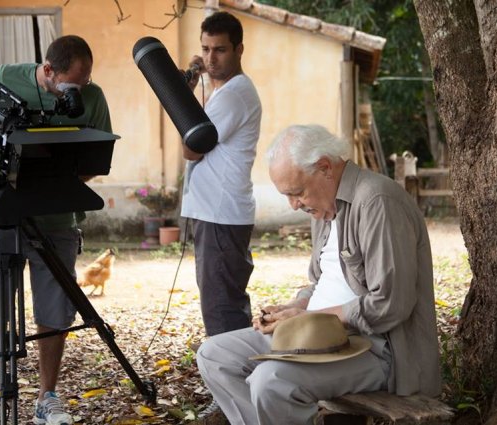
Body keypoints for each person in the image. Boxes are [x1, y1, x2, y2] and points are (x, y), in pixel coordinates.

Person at [196, 125, 441, 425]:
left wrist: (312, 319)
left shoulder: (378, 201)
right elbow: (322, 283)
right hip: (319, 335)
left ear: (325, 167)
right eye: (287, 196)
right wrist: (297, 308)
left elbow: (391, 304)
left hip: (378, 349)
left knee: (271, 381)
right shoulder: (323, 208)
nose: (293, 205)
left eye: (297, 193)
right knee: (214, 355)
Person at [0, 35, 111, 425]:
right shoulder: (5, 77)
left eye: (84, 84)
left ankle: (47, 397)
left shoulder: (93, 96)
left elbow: (98, 155)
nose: (78, 94)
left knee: (55, 312)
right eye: (71, 86)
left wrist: (52, 179)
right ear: (48, 71)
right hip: (2, 214)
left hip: (58, 220)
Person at [182, 11, 262, 337]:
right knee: (225, 305)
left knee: (221, 311)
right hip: (220, 214)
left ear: (239, 49)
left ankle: (233, 384)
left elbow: (191, 148)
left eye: (220, 50)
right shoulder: (223, 91)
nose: (210, 59)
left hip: (220, 216)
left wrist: (183, 95)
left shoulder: (233, 95)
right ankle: (237, 380)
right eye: (205, 49)